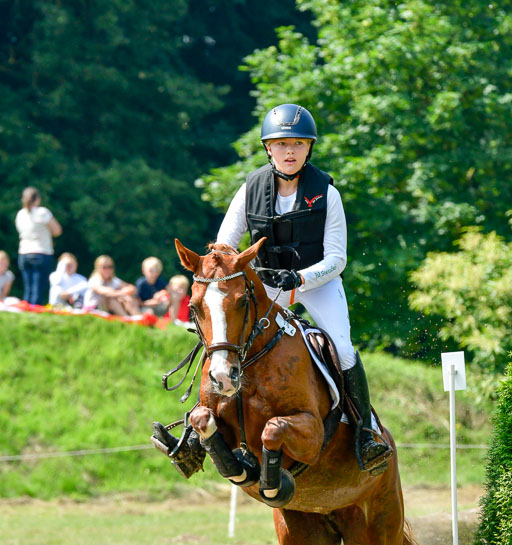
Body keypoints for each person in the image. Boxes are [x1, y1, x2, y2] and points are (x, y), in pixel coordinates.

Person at [153, 103, 390, 474]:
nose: (290, 151)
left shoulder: (327, 193)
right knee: (222, 338)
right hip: (264, 286)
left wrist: (300, 279)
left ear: (309, 148)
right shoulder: (250, 189)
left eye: (298, 143)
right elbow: (224, 246)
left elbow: (337, 258)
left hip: (316, 284)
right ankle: (194, 436)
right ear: (268, 148)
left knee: (342, 348)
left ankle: (365, 432)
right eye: (281, 144)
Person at [15, 187, 62, 305]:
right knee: (37, 290)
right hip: (41, 253)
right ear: (37, 199)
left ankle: (25, 314)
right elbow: (57, 231)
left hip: (24, 253)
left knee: (28, 289)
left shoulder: (20, 214)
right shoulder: (42, 212)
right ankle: (34, 316)